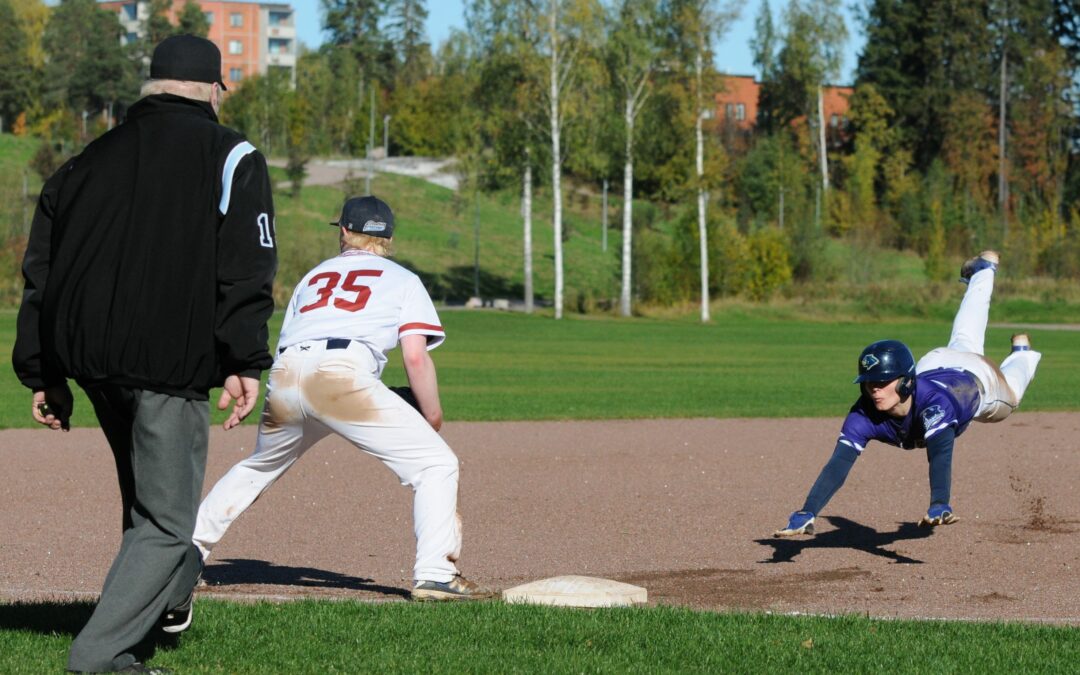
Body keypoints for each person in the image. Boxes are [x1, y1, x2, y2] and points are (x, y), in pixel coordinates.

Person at [12, 34, 277, 672]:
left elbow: (41, 276)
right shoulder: (232, 153)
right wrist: (244, 361)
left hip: (90, 359)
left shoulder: (85, 160)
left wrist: (43, 372)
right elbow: (247, 268)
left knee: (147, 505)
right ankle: (100, 659)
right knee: (165, 521)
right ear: (215, 88)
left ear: (152, 86)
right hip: (166, 362)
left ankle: (162, 602)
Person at [192, 195, 491, 601]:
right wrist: (432, 418)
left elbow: (286, 345)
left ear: (345, 231)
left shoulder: (312, 277)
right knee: (436, 463)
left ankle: (185, 554)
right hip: (343, 376)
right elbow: (416, 357)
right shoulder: (403, 279)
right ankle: (436, 573)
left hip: (287, 374)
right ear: (388, 238)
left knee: (258, 466)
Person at [774, 251, 1042, 537]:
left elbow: (940, 452)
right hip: (935, 363)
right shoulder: (864, 412)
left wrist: (940, 502)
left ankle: (1021, 355)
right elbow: (839, 462)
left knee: (1010, 398)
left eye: (882, 382)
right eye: (869, 383)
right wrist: (809, 510)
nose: (874, 389)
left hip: (974, 379)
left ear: (904, 383)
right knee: (963, 337)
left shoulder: (935, 405)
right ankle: (984, 270)